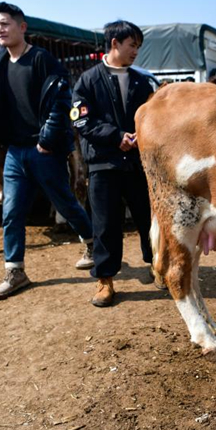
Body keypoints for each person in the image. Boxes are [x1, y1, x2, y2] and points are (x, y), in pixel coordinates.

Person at [0, 2, 94, 300]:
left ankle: (92, 242)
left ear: (22, 27)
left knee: (65, 202)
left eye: (5, 23)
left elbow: (62, 101)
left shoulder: (42, 60)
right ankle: (15, 271)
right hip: (15, 152)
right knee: (11, 211)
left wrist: (47, 139)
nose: (0, 30)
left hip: (44, 149)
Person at [71, 20, 156, 307]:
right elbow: (80, 120)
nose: (136, 52)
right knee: (105, 224)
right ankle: (105, 281)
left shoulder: (141, 81)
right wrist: (115, 136)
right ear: (115, 44)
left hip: (135, 164)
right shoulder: (87, 80)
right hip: (103, 166)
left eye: (138, 47)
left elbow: (153, 116)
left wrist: (138, 137)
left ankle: (157, 266)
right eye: (132, 45)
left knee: (148, 219)